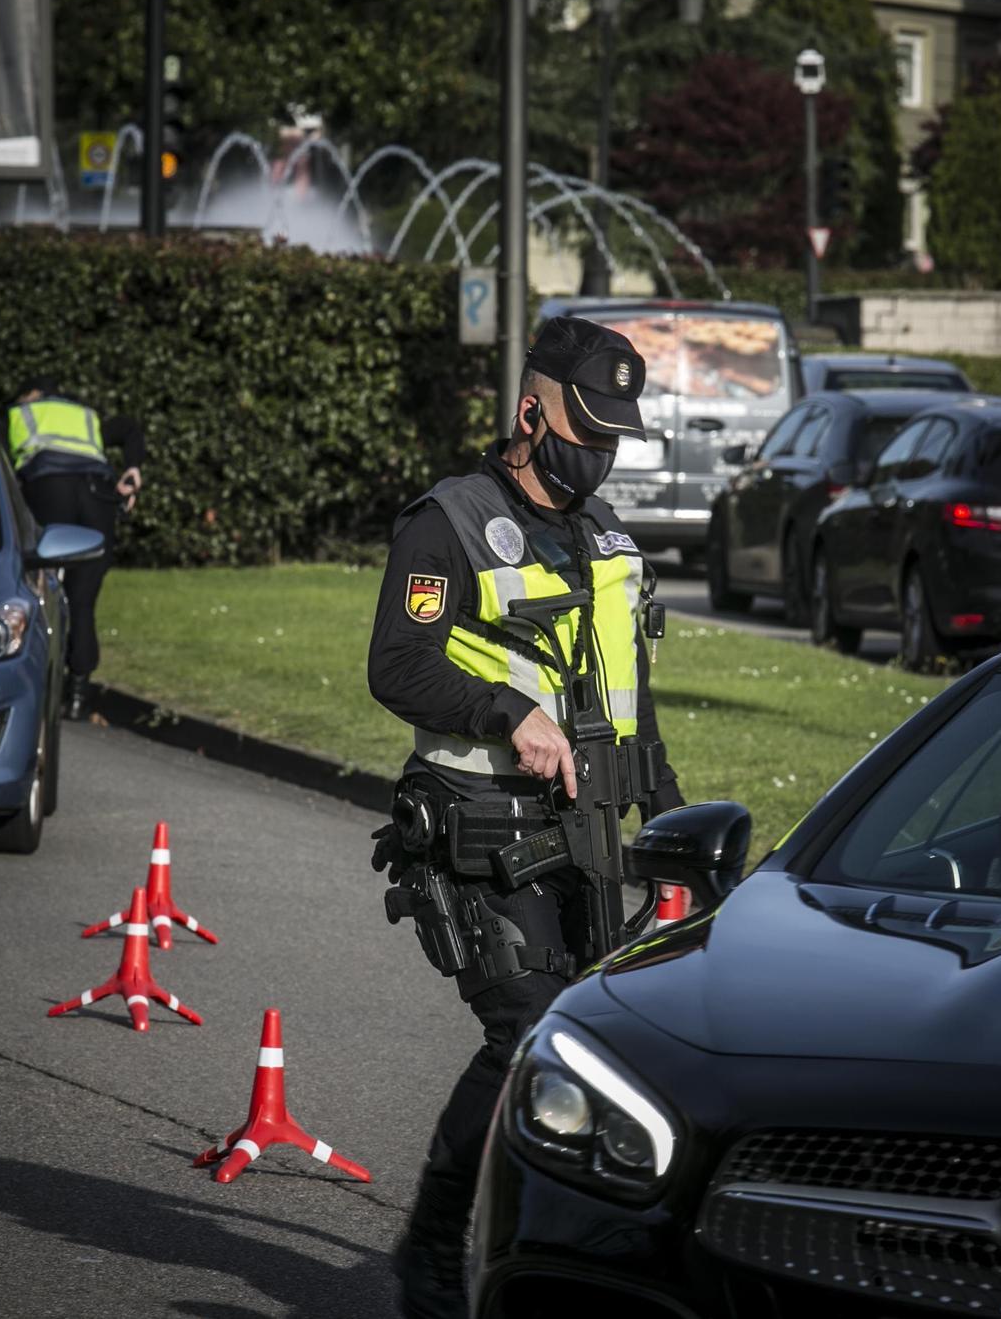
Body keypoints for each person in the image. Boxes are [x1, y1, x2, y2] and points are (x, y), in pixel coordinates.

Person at [368, 316, 686, 1319]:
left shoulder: (607, 539)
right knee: (525, 1035)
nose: (597, 454)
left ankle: (560, 1251)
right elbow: (396, 665)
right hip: (483, 825)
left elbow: (630, 701)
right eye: (584, 431)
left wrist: (676, 824)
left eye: (612, 438)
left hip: (592, 834)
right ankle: (427, 1247)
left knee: (593, 1052)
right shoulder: (449, 522)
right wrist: (504, 712)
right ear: (529, 411)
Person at [2, 380, 145, 719]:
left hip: (50, 491)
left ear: (31, 395)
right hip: (97, 496)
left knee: (35, 587)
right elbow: (128, 428)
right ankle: (78, 695)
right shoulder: (85, 416)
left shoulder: (19, 413)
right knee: (83, 598)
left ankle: (33, 684)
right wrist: (133, 469)